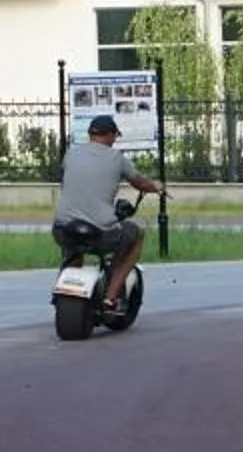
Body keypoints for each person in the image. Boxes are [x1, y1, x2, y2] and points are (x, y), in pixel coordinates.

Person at [52, 113, 164, 308]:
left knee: (72, 247)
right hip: (101, 232)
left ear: (90, 135)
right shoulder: (117, 158)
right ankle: (110, 298)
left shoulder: (71, 155)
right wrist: (157, 187)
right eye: (115, 136)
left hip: (63, 228)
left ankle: (62, 289)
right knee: (135, 235)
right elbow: (140, 182)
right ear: (111, 135)